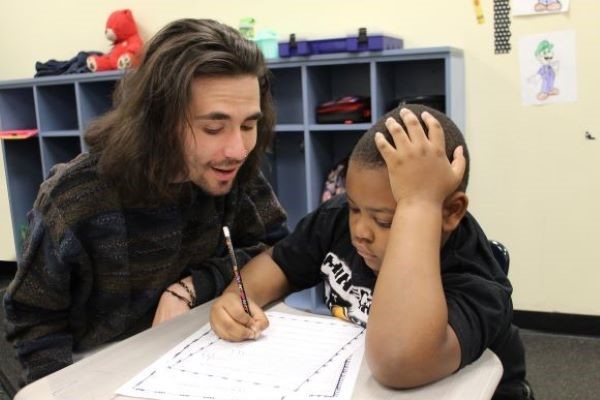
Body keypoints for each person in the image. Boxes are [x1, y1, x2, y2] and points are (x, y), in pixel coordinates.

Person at [3, 18, 288, 384]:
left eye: (248, 125)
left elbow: (277, 251)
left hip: (197, 347)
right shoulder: (76, 198)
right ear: (159, 121)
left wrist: (191, 288)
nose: (237, 149)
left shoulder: (232, 172)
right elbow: (32, 318)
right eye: (213, 128)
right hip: (97, 365)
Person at [210, 104, 534, 400]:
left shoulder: (476, 277)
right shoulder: (338, 220)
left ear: (449, 213)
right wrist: (237, 298)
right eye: (354, 208)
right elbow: (277, 264)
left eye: (386, 220)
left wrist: (418, 203)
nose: (360, 232)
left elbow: (399, 361)